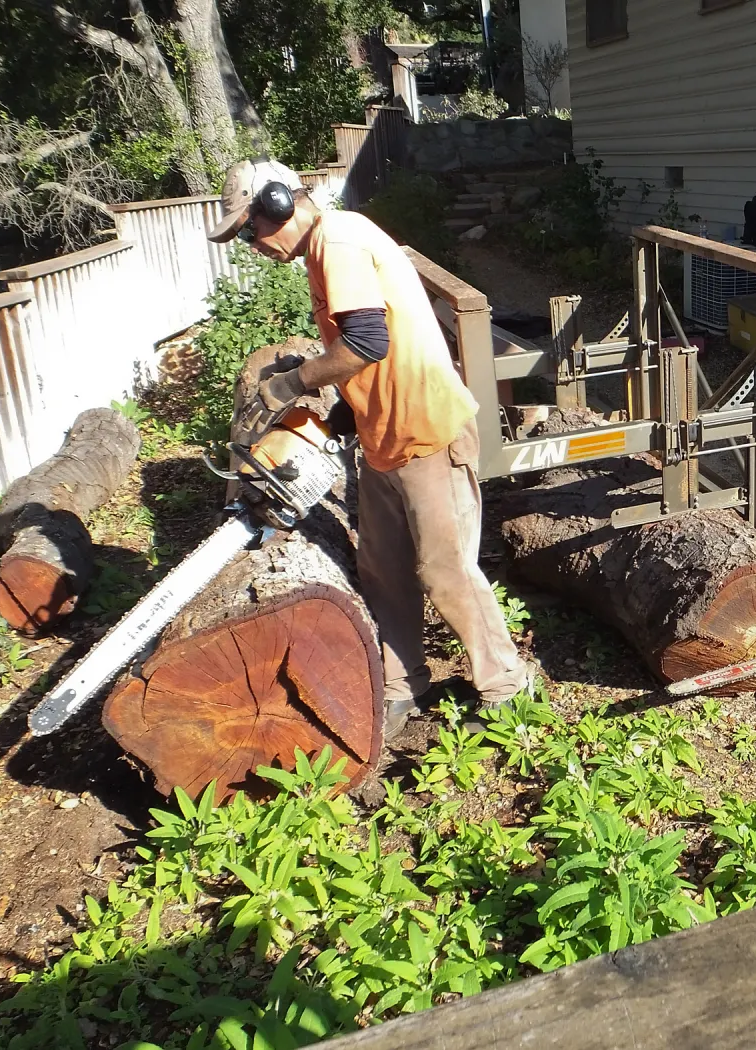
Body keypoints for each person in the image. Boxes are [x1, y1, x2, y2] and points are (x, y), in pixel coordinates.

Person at [207, 158, 530, 740]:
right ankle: (406, 682)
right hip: (384, 435)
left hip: (426, 429)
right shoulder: (322, 250)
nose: (252, 245)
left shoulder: (340, 241)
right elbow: (370, 352)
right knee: (382, 570)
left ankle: (506, 684)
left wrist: (290, 383)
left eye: (250, 230)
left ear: (279, 204)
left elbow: (366, 343)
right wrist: (338, 418)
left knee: (445, 570)